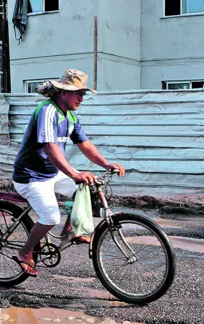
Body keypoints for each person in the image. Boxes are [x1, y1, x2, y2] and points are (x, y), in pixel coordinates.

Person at [12, 69, 125, 277]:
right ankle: (25, 251)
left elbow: (85, 144)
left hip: (52, 173)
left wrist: (106, 164)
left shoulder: (70, 116)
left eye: (84, 93)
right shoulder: (47, 110)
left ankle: (72, 231)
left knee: (88, 190)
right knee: (51, 217)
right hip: (31, 176)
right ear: (64, 92)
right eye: (78, 93)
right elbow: (50, 147)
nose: (82, 98)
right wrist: (74, 173)